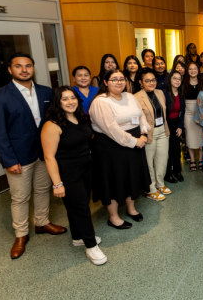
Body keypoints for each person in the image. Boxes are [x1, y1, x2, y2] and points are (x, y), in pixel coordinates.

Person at [0, 53, 67, 259]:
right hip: (18, 157)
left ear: (33, 68)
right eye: (19, 66)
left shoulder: (46, 92)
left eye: (28, 66)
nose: (24, 70)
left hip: (43, 154)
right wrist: (9, 160)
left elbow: (53, 121)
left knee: (42, 190)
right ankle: (21, 235)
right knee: (20, 197)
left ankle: (42, 223)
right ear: (10, 70)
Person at [41, 86, 106, 265]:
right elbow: (49, 157)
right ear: (57, 102)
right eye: (65, 99)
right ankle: (91, 247)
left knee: (78, 205)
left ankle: (78, 237)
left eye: (73, 98)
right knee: (82, 209)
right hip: (68, 172)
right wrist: (57, 184)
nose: (70, 102)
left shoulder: (81, 118)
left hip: (86, 167)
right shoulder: (52, 125)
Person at [89, 69, 150, 229]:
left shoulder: (129, 96)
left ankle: (131, 208)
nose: (119, 82)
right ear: (105, 82)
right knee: (114, 180)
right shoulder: (100, 102)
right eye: (114, 79)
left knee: (132, 176)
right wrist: (134, 141)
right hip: (111, 148)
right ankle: (114, 217)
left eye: (121, 79)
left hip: (137, 141)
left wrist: (143, 133)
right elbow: (111, 129)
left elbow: (141, 115)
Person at [134, 68, 171, 202]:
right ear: (141, 82)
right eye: (147, 81)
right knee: (149, 162)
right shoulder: (136, 97)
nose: (151, 83)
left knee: (162, 159)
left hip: (162, 130)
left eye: (153, 80)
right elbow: (136, 118)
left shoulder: (160, 92)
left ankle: (160, 184)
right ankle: (150, 189)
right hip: (149, 133)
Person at [163, 70, 185, 183]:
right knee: (168, 150)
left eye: (179, 79)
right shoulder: (163, 93)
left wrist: (180, 126)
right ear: (170, 79)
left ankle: (178, 171)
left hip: (177, 124)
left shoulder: (181, 93)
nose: (177, 81)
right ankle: (167, 173)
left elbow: (183, 112)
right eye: (174, 78)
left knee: (177, 149)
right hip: (166, 124)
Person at [184, 62, 203, 171]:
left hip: (201, 113)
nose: (193, 71)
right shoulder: (184, 83)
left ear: (198, 70)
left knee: (201, 138)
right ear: (187, 71)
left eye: (195, 68)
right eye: (190, 69)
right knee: (190, 137)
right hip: (188, 114)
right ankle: (192, 160)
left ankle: (200, 160)